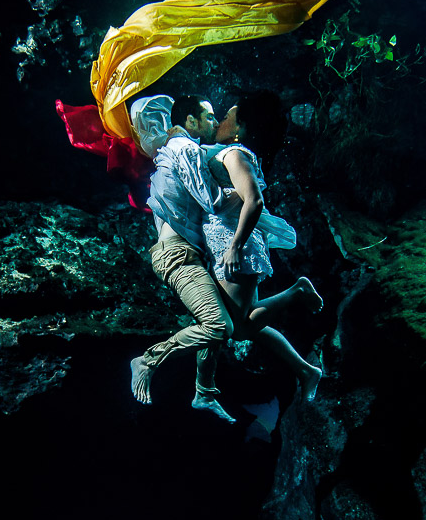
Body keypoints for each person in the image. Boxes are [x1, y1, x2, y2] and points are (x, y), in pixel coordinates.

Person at [200, 90, 324, 401]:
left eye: (227, 116)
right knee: (244, 323)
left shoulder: (236, 154)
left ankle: (297, 291)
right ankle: (306, 370)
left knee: (239, 329)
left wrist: (235, 246)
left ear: (240, 126)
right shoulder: (227, 152)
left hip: (234, 247)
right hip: (228, 245)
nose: (220, 120)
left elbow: (254, 201)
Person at [128, 94, 238, 423]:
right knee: (219, 326)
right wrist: (246, 192)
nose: (215, 123)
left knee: (215, 319)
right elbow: (212, 201)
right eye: (208, 117)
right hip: (179, 256)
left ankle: (204, 392)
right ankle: (147, 361)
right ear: (189, 122)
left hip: (180, 252)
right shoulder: (184, 148)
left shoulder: (172, 151)